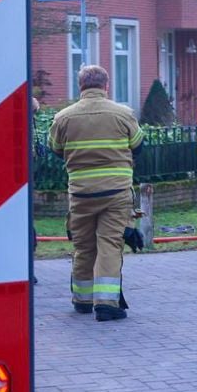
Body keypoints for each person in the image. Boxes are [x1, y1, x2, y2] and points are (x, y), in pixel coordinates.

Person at [48, 65, 143, 321]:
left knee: (83, 245)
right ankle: (107, 303)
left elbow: (55, 149)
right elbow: (138, 145)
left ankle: (82, 299)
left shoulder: (63, 117)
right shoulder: (123, 114)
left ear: (80, 86)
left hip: (80, 193)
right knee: (110, 244)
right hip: (116, 191)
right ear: (106, 85)